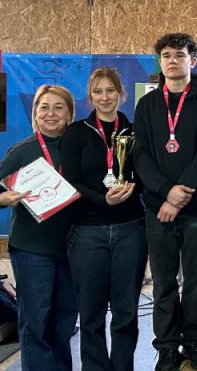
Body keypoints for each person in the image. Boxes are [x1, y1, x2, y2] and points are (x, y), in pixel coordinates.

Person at [133, 32, 197, 371]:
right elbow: (141, 154)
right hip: (158, 207)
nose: (172, 61)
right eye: (166, 55)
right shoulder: (147, 105)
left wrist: (180, 195)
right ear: (160, 62)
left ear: (192, 61)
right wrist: (165, 193)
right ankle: (167, 346)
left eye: (179, 55)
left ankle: (194, 342)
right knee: (164, 281)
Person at [0, 84, 78, 371]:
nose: (51, 113)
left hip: (72, 249)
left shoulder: (79, 147)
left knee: (65, 319)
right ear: (35, 113)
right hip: (32, 249)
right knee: (36, 320)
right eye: (44, 107)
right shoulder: (22, 151)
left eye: (59, 107)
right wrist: (5, 198)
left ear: (70, 113)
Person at [61, 68, 146, 371]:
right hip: (87, 232)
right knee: (91, 315)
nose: (105, 97)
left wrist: (134, 188)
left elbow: (145, 173)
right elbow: (71, 182)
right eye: (98, 91)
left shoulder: (135, 131)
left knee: (126, 314)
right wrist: (102, 200)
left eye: (111, 90)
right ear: (90, 96)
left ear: (121, 94)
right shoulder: (77, 133)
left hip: (130, 230)